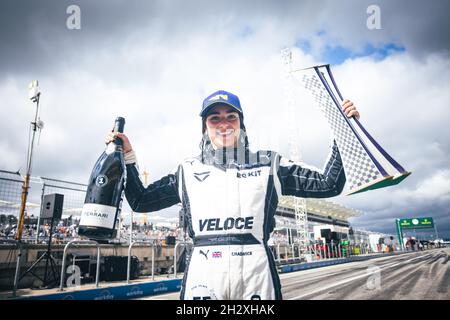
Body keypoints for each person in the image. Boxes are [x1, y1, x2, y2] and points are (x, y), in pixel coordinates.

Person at [106, 90, 360, 300]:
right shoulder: (186, 170)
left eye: (231, 117)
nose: (223, 123)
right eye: (214, 118)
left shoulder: (269, 164)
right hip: (202, 280)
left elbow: (329, 184)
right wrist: (127, 157)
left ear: (241, 123)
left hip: (257, 280)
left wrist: (343, 132)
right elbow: (141, 201)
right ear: (204, 127)